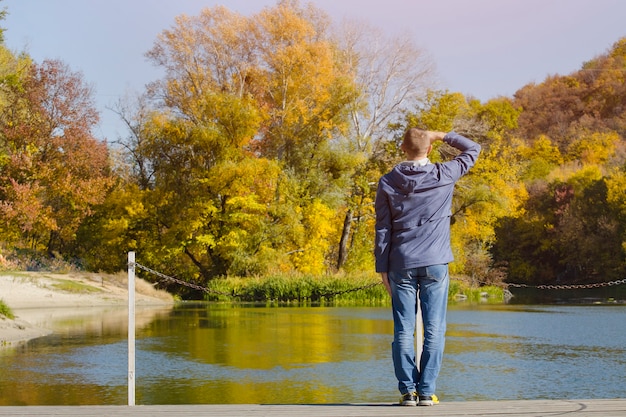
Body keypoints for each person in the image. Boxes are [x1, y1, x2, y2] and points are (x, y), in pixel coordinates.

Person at [374, 128, 481, 406]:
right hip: (435, 262)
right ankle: (426, 392)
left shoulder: (387, 182)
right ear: (429, 149)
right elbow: (473, 149)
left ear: (402, 148)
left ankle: (408, 392)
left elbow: (383, 229)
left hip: (400, 263)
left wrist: (382, 268)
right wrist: (442, 135)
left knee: (403, 329)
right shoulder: (443, 174)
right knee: (434, 329)